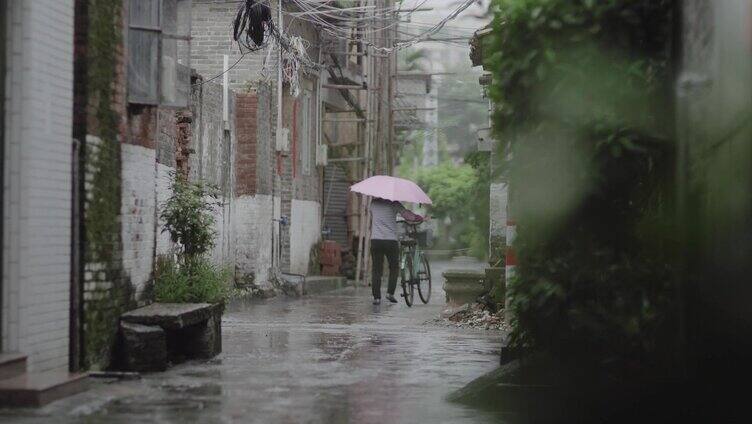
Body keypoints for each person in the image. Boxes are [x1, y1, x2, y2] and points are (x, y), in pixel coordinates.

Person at [369, 198, 423, 305]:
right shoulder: (394, 203)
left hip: (376, 240)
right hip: (390, 240)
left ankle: (377, 298)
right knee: (394, 267)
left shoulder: (373, 203)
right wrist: (419, 217)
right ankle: (390, 293)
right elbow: (408, 216)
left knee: (376, 269)